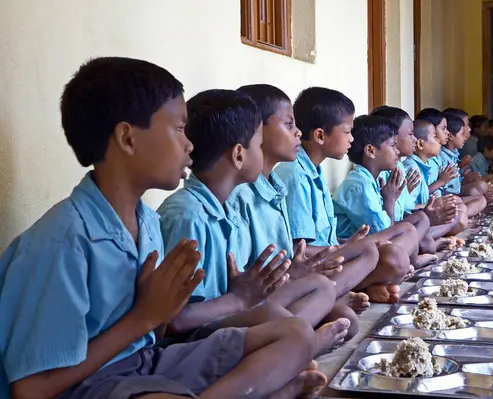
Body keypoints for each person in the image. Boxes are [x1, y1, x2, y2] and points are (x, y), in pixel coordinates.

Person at [0, 57, 326, 399]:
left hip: (146, 364)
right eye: (179, 128)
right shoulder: (62, 241)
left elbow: (153, 337)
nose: (189, 145)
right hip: (91, 384)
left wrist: (159, 315)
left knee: (296, 336)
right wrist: (146, 317)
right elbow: (31, 389)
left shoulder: (148, 223)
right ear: (127, 138)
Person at [158, 89, 350, 356]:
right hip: (197, 337)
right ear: (239, 155)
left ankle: (294, 348)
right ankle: (301, 349)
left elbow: (245, 281)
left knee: (321, 288)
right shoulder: (188, 216)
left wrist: (279, 278)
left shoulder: (227, 207)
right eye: (258, 144)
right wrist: (239, 299)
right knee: (285, 319)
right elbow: (174, 321)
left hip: (235, 309)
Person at [227, 84, 371, 338]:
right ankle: (301, 338)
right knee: (339, 300)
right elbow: (295, 251)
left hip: (284, 285)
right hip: (255, 302)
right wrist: (337, 251)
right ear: (256, 131)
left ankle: (305, 326)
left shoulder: (276, 185)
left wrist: (337, 249)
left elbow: (291, 261)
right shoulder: (252, 190)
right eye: (289, 124)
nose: (297, 133)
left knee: (344, 307)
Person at [275, 87, 411, 304]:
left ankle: (356, 288)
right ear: (320, 135)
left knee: (394, 245)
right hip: (313, 268)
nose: (352, 138)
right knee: (388, 256)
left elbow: (324, 238)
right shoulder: (296, 176)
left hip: (330, 257)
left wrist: (345, 243)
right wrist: (344, 248)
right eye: (347, 131)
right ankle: (341, 293)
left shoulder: (314, 172)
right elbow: (299, 251)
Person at [332, 114, 438, 268]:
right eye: (392, 145)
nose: (397, 152)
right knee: (405, 235)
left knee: (420, 219)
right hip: (352, 254)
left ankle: (409, 260)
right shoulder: (359, 185)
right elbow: (385, 230)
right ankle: (401, 264)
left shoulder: (370, 179)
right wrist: (390, 200)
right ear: (371, 150)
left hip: (371, 243)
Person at [370, 105, 459, 250]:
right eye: (410, 134)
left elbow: (405, 211)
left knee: (429, 224)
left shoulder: (397, 167)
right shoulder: (377, 176)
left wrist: (430, 209)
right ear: (393, 136)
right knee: (425, 234)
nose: (414, 139)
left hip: (397, 230)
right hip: (386, 239)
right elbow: (383, 230)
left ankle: (420, 246)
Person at [404, 119, 469, 236]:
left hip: (423, 212)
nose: (439, 140)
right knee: (460, 219)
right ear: (420, 144)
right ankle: (427, 237)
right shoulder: (412, 167)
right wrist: (436, 202)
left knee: (459, 209)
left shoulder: (423, 164)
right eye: (435, 137)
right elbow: (407, 209)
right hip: (416, 219)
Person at [437, 114, 487, 217]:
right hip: (446, 199)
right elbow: (444, 189)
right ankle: (458, 218)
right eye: (462, 133)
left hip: (454, 195)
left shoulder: (454, 155)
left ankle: (461, 216)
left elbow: (452, 182)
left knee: (481, 196)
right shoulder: (442, 157)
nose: (465, 136)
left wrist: (464, 179)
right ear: (451, 136)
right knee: (476, 193)